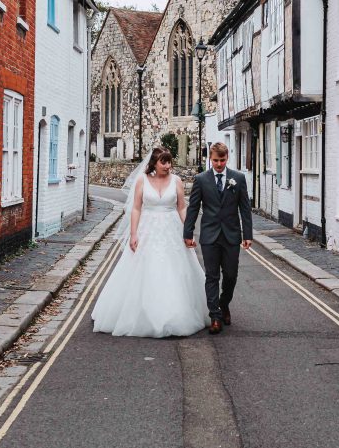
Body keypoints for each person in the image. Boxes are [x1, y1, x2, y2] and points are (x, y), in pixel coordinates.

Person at [91, 146, 209, 338]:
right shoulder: (142, 181)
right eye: (164, 162)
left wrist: (188, 231)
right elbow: (136, 208)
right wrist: (133, 233)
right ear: (153, 163)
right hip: (148, 229)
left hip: (172, 230)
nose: (168, 166)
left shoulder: (177, 181)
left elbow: (181, 208)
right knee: (144, 270)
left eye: (169, 161)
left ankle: (176, 313)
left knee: (176, 270)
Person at [183, 142, 253, 335]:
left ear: (227, 158)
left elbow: (245, 209)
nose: (219, 164)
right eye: (215, 160)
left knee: (230, 276)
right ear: (210, 159)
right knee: (212, 276)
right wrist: (187, 233)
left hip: (231, 236)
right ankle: (215, 316)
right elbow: (193, 208)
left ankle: (223, 304)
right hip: (209, 235)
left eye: (222, 160)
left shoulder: (238, 178)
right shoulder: (201, 179)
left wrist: (247, 234)